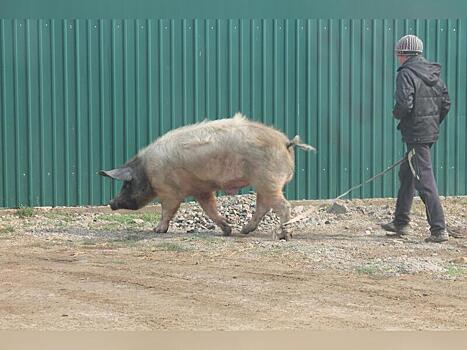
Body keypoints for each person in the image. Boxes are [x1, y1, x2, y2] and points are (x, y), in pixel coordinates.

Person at [381, 34, 451, 243]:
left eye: (398, 54)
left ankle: (438, 229)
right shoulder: (433, 73)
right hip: (427, 132)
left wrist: (397, 114)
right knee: (408, 174)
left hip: (416, 134)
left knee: (424, 179)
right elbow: (446, 103)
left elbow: (404, 104)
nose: (397, 58)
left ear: (403, 54)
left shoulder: (406, 73)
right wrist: (431, 124)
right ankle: (401, 222)